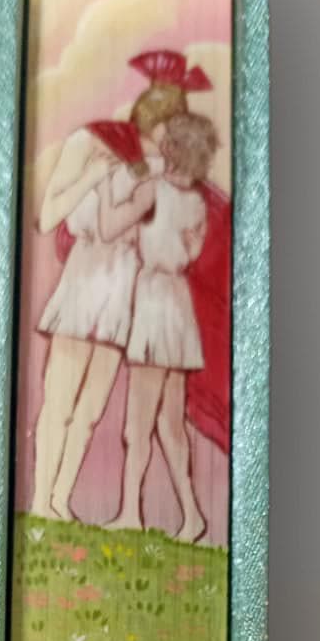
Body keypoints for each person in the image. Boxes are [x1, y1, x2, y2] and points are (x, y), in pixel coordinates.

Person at [30, 52, 213, 522]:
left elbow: (168, 228)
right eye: (163, 139)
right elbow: (58, 219)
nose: (165, 151)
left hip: (123, 293)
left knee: (91, 410)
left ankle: (60, 500)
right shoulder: (95, 146)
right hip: (85, 282)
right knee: (59, 400)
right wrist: (106, 182)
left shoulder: (155, 172)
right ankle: (40, 500)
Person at [97, 112, 219, 543]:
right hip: (178, 306)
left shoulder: (153, 190)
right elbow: (190, 252)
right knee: (171, 424)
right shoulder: (198, 203)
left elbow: (109, 227)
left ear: (174, 149)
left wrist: (113, 186)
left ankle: (131, 512)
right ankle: (192, 516)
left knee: (138, 423)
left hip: (153, 302)